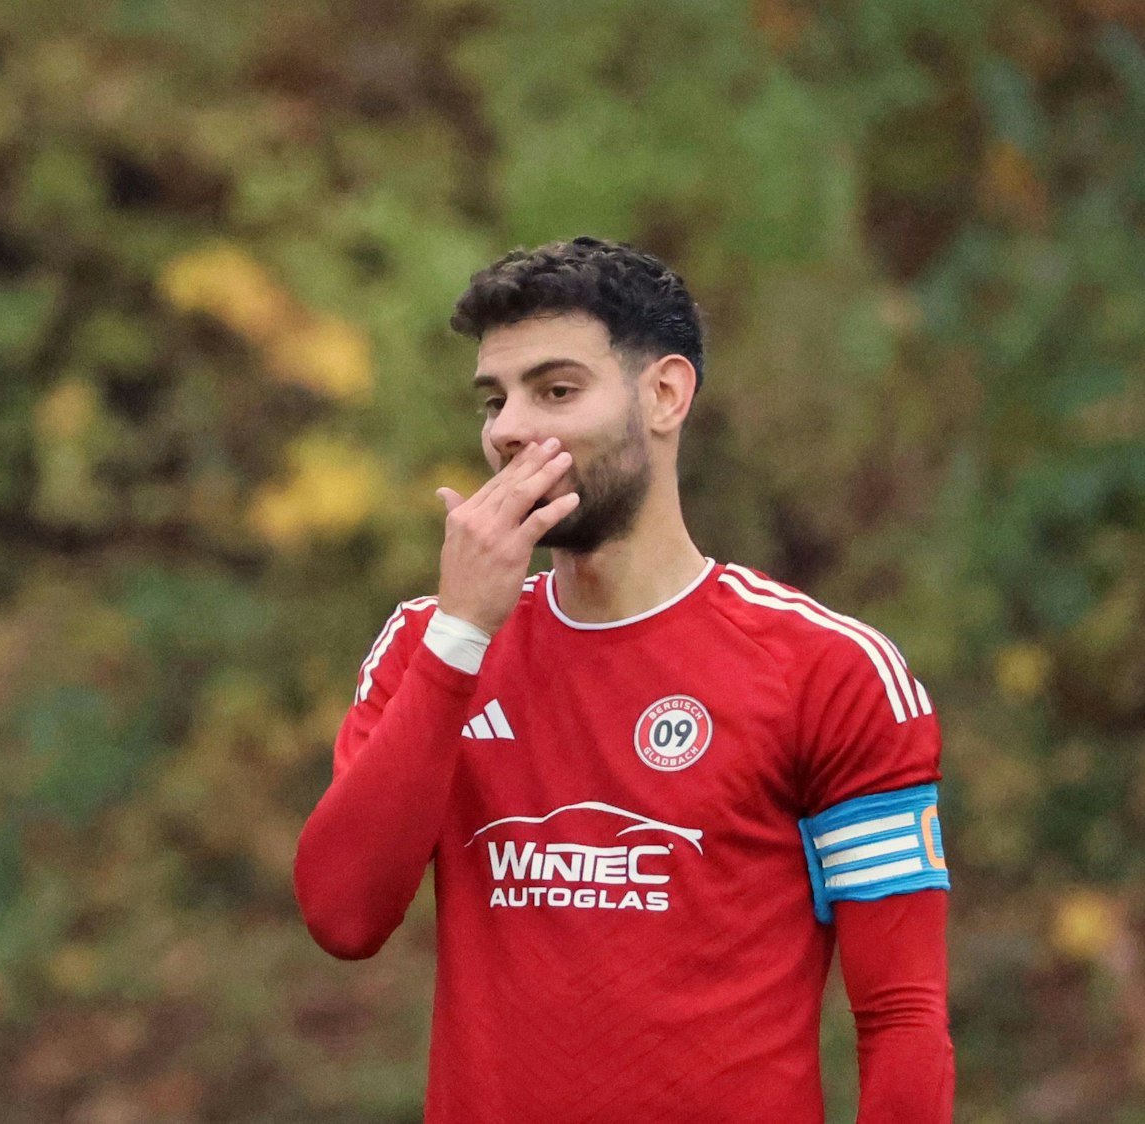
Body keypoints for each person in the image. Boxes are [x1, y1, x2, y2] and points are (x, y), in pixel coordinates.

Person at [293, 238, 953, 1122]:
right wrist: (461, 638)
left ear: (665, 395)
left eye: (556, 390)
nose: (510, 428)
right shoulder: (430, 644)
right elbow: (343, 917)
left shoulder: (829, 671)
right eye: (495, 400)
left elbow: (902, 1017)